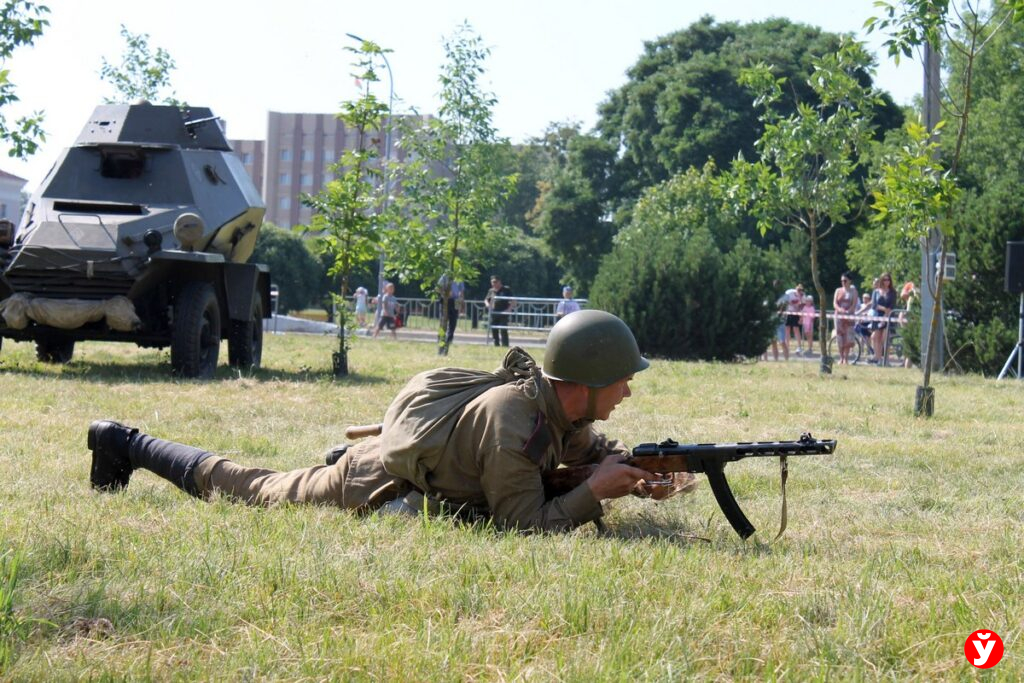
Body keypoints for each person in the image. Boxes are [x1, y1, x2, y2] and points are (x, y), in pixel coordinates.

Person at [87, 310, 696, 533]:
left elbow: (592, 450)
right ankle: (125, 441)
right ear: (586, 382)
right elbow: (525, 525)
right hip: (374, 483)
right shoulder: (516, 419)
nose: (629, 389)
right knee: (249, 486)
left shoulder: (557, 411)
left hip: (420, 469)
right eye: (624, 377)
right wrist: (593, 493)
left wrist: (644, 472)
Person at [870, 272, 898, 363]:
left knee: (884, 338)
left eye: (888, 280)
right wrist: (884, 309)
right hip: (878, 317)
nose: (887, 282)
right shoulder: (876, 291)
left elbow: (892, 306)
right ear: (881, 280)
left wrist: (886, 313)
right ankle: (878, 358)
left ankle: (886, 360)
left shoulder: (893, 292)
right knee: (876, 337)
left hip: (888, 317)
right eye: (885, 279)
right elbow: (874, 305)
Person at [832, 273, 858, 365]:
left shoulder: (853, 291)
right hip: (838, 317)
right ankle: (841, 357)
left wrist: (848, 312)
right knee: (839, 337)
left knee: (848, 337)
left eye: (845, 280)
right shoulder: (838, 290)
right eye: (842, 281)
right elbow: (834, 303)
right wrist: (840, 310)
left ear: (850, 281)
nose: (843, 282)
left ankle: (846, 359)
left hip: (849, 317)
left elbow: (854, 304)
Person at [437, 274, 465, 355]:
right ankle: (441, 345)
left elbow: (461, 292)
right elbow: (438, 288)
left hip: (455, 300)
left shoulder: (459, 277)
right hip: (445, 301)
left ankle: (447, 344)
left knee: (453, 324)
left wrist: (461, 304)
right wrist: (445, 293)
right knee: (443, 324)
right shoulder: (444, 277)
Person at [484, 275, 515, 347]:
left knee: (503, 329)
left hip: (503, 313)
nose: (494, 284)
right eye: (492, 282)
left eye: (495, 282)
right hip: (494, 313)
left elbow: (513, 300)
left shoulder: (506, 290)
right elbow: (486, 299)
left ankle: (505, 344)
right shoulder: (491, 291)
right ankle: (496, 344)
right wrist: (488, 305)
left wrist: (509, 309)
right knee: (494, 329)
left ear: (499, 282)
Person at [784, 285, 806, 355]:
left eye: (801, 293)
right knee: (787, 329)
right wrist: (791, 304)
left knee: (796, 329)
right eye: (798, 293)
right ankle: (786, 347)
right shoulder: (789, 293)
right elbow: (784, 301)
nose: (799, 295)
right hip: (788, 312)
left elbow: (803, 306)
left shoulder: (803, 296)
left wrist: (801, 317)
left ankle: (799, 347)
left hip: (796, 313)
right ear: (796, 291)